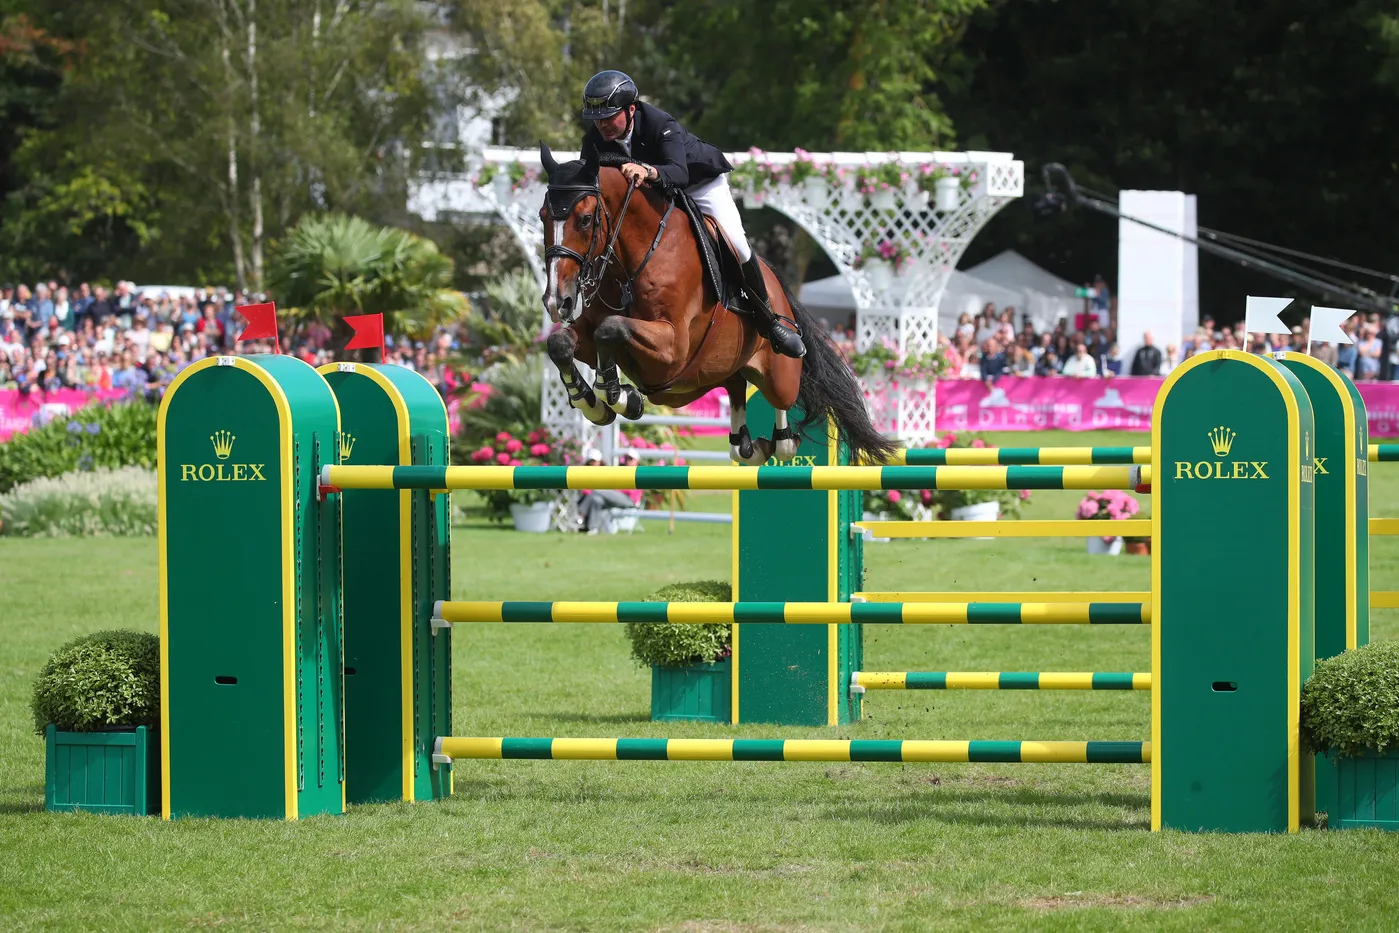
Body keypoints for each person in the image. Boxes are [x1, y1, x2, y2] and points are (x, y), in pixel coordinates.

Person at [577, 69, 806, 359]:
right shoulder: (594, 141)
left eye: (609, 117)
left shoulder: (660, 124)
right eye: (597, 119)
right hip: (655, 191)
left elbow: (679, 173)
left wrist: (647, 170)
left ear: (631, 109)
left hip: (699, 184)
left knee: (735, 241)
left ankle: (769, 320)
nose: (602, 126)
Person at [576, 448, 643, 534]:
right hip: (615, 496)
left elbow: (630, 492)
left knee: (596, 491)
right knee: (596, 499)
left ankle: (581, 514)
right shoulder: (621, 471)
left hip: (629, 500)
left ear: (637, 461)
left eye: (630, 459)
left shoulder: (639, 472)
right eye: (626, 458)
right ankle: (592, 528)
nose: (627, 461)